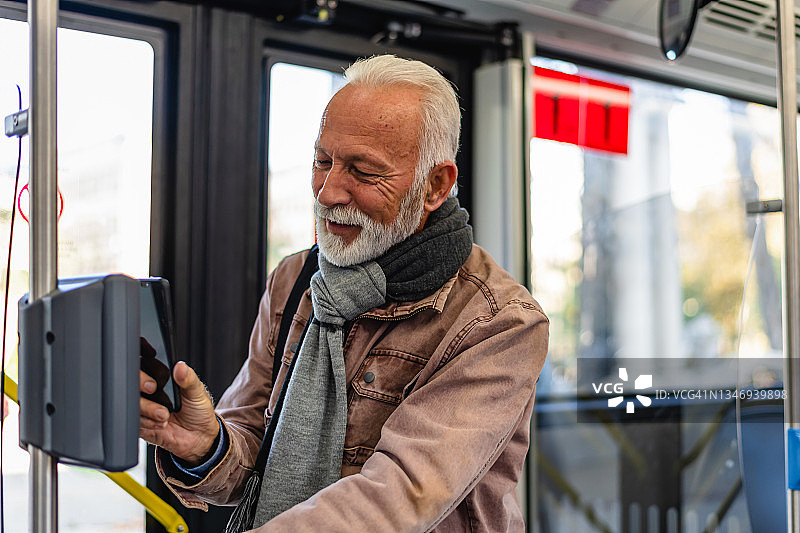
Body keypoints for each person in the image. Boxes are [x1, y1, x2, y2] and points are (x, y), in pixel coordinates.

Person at [139, 54, 549, 532]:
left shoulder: (498, 322)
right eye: (323, 161)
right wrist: (205, 446)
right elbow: (254, 450)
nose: (329, 191)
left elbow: (398, 494)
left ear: (435, 185)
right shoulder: (295, 279)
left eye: (362, 171)